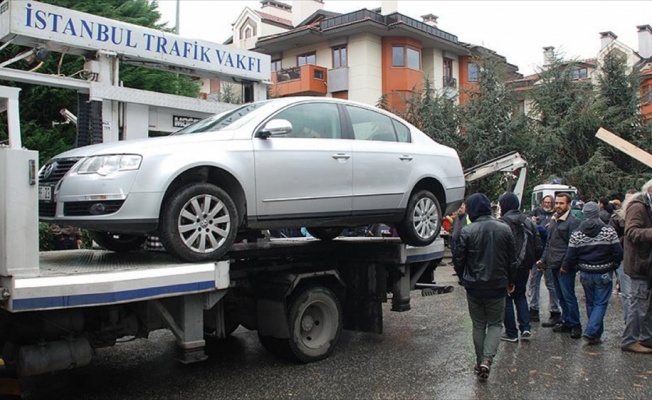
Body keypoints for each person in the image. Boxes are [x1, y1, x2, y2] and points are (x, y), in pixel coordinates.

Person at [453, 193, 516, 381]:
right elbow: (511, 260)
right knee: (496, 323)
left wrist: (464, 278)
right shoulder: (504, 229)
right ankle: (487, 360)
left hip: (474, 285)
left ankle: (480, 360)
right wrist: (511, 281)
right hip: (497, 284)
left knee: (478, 324)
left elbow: (458, 259)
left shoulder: (467, 231)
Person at [563, 202, 623, 345]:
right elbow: (618, 252)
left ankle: (595, 335)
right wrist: (614, 264)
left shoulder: (577, 233)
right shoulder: (608, 230)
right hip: (604, 271)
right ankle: (591, 331)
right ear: (597, 213)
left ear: (584, 213)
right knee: (601, 303)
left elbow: (571, 255)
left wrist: (570, 266)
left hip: (585, 272)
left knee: (590, 302)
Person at [536, 192, 582, 338]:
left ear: (568, 205)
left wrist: (566, 264)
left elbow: (573, 246)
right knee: (561, 296)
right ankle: (567, 322)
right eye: (557, 203)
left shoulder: (573, 222)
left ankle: (575, 325)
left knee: (568, 296)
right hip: (553, 264)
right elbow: (549, 243)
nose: (558, 206)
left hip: (565, 266)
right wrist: (543, 260)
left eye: (561, 203)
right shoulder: (554, 221)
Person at [498, 192, 542, 343]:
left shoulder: (501, 223)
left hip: (506, 266)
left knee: (506, 298)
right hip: (524, 265)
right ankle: (525, 328)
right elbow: (537, 245)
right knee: (521, 295)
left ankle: (511, 332)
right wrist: (532, 262)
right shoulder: (528, 221)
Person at [621, 180, 652, 354]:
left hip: (647, 264)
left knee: (647, 306)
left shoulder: (647, 206)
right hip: (639, 264)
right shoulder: (638, 207)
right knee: (638, 305)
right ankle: (629, 340)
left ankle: (646, 338)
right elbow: (631, 232)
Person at [610, 189, 637, 324]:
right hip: (624, 258)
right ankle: (629, 323)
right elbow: (612, 238)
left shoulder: (644, 215)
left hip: (641, 259)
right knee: (627, 293)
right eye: (627, 199)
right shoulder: (617, 217)